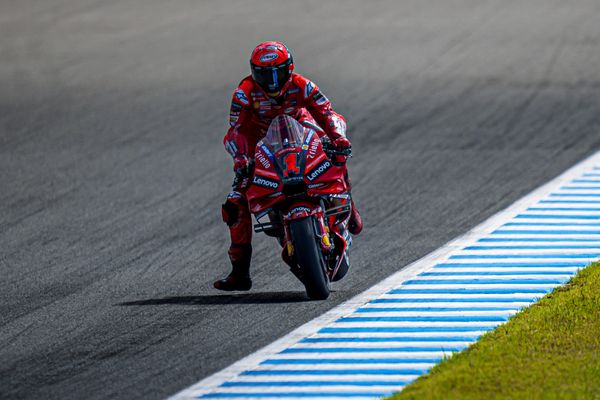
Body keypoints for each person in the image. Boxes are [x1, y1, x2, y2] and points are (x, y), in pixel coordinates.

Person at [215, 41, 363, 291]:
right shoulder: (244, 93)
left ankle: (350, 207)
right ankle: (240, 272)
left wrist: (338, 139)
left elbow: (325, 111)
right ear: (253, 72)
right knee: (235, 202)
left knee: (335, 152)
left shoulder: (302, 84)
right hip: (261, 143)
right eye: (264, 74)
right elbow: (237, 131)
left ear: (290, 68)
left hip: (301, 131)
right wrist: (242, 159)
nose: (272, 81)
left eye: (278, 72)